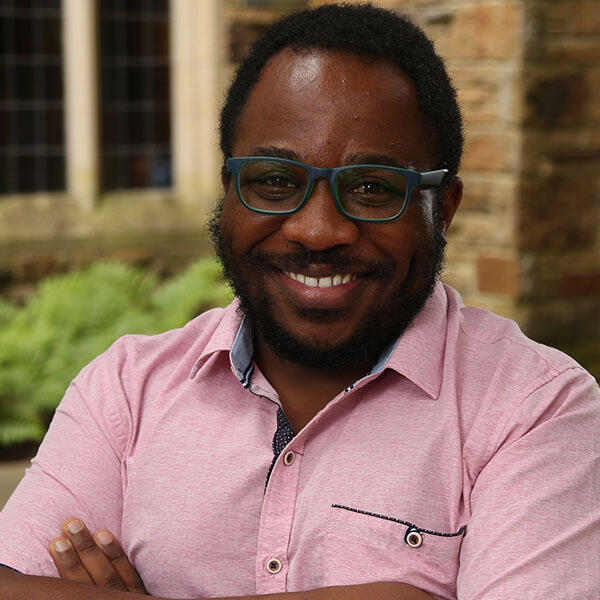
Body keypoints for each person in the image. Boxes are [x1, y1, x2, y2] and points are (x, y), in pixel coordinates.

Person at [0, 3, 599, 599]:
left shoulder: (535, 409)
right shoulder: (126, 392)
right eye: (276, 181)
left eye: (370, 188)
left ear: (443, 208)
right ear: (230, 189)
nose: (317, 231)